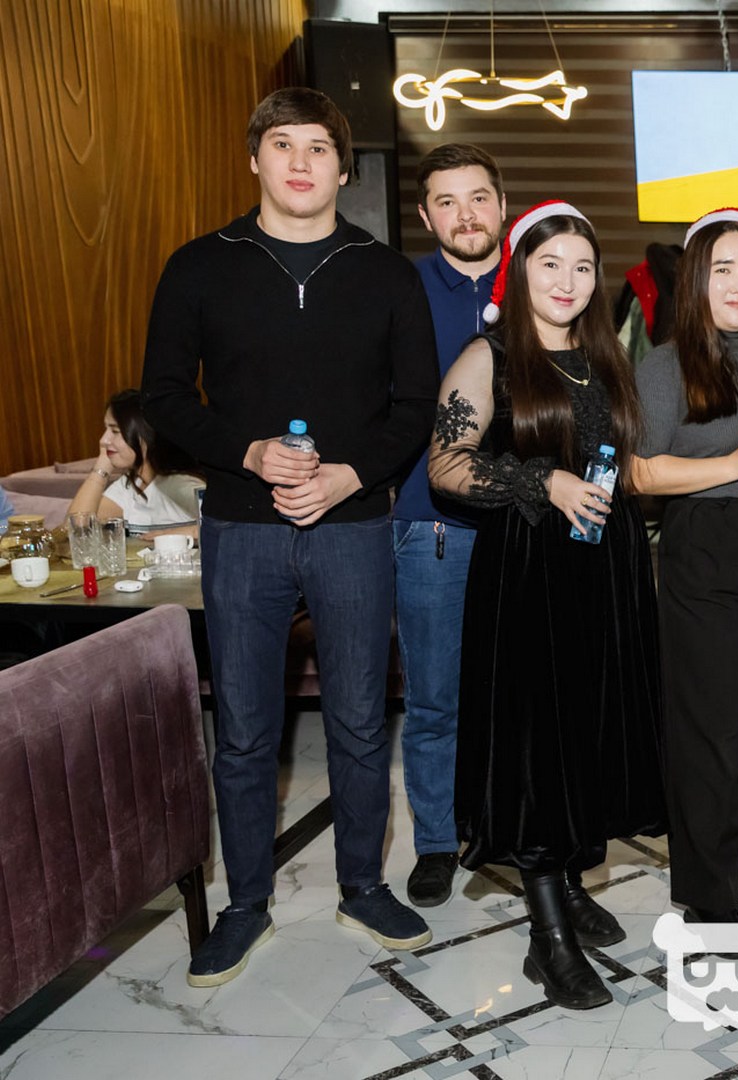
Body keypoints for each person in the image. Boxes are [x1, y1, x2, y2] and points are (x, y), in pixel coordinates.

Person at [141, 87, 439, 987]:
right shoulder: (200, 265)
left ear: (344, 168)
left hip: (352, 526)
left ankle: (362, 887)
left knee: (359, 721)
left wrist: (351, 475)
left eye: (319, 147)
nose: (301, 161)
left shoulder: (384, 273)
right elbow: (163, 397)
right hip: (241, 526)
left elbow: (414, 407)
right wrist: (247, 451)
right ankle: (245, 904)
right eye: (282, 144)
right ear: (254, 159)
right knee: (242, 731)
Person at [428, 200, 666, 1009]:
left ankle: (567, 885)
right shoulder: (488, 357)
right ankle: (547, 937)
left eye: (581, 266)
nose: (567, 280)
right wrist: (543, 480)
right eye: (549, 264)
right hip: (529, 573)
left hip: (604, 569)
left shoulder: (604, 358)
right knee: (537, 744)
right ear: (519, 270)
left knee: (585, 736)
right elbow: (446, 465)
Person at [633, 207, 738, 924]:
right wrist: (733, 463)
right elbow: (639, 473)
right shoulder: (665, 364)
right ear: (696, 282)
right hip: (705, 544)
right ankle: (707, 894)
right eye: (721, 269)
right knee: (712, 724)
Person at [391, 143, 507, 908]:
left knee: (517, 693)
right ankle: (436, 840)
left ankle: (504, 827)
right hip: (430, 524)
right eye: (446, 201)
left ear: (502, 204)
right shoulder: (397, 290)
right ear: (426, 215)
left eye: (478, 197)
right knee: (434, 697)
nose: (465, 215)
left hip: (527, 523)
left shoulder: (542, 280)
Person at [69, 389, 204, 535]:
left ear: (144, 436)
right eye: (106, 430)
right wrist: (103, 465)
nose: (103, 440)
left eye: (115, 431)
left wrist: (174, 534)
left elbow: (221, 528)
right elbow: (78, 528)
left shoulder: (183, 485)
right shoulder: (131, 484)